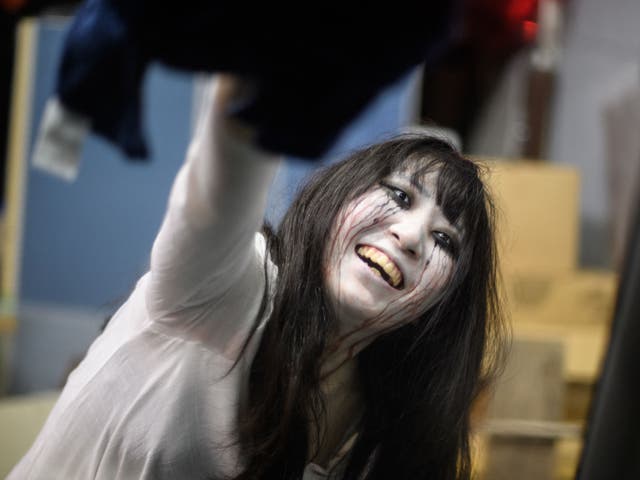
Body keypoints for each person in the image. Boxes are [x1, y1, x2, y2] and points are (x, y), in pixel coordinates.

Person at [8, 76, 505, 480]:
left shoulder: (386, 423)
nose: (413, 236)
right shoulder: (224, 286)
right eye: (399, 196)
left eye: (446, 242)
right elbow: (224, 177)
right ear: (338, 196)